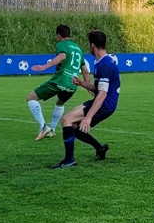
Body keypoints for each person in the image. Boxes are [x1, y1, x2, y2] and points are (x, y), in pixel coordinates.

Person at [49, 30, 119, 169]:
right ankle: (100, 148)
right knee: (74, 127)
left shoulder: (104, 65)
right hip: (104, 103)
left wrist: (88, 117)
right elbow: (98, 88)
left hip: (104, 104)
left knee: (66, 120)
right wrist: (82, 83)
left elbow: (102, 94)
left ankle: (69, 160)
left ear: (92, 45)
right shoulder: (104, 61)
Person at [27, 24, 90, 141]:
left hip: (60, 80)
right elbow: (85, 71)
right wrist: (88, 87)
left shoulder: (61, 44)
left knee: (31, 98)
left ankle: (43, 127)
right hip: (73, 85)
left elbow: (62, 56)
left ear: (59, 36)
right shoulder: (78, 48)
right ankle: (52, 130)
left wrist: (44, 67)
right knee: (60, 103)